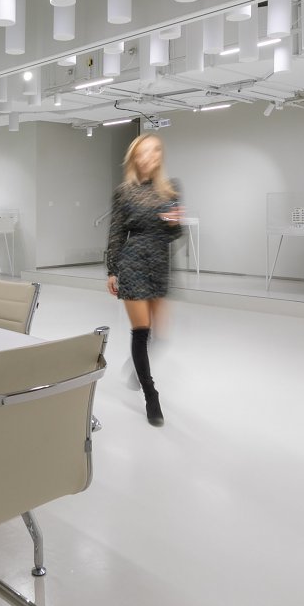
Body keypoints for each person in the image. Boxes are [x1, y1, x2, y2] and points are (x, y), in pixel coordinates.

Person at [105, 133, 184, 427]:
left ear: (160, 156)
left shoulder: (171, 189)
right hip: (133, 262)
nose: (149, 156)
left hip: (160, 263)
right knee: (141, 331)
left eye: (155, 151)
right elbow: (116, 232)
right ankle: (151, 395)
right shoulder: (124, 192)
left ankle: (136, 368)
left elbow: (175, 234)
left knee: (160, 335)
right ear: (135, 158)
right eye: (143, 152)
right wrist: (112, 270)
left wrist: (175, 223)